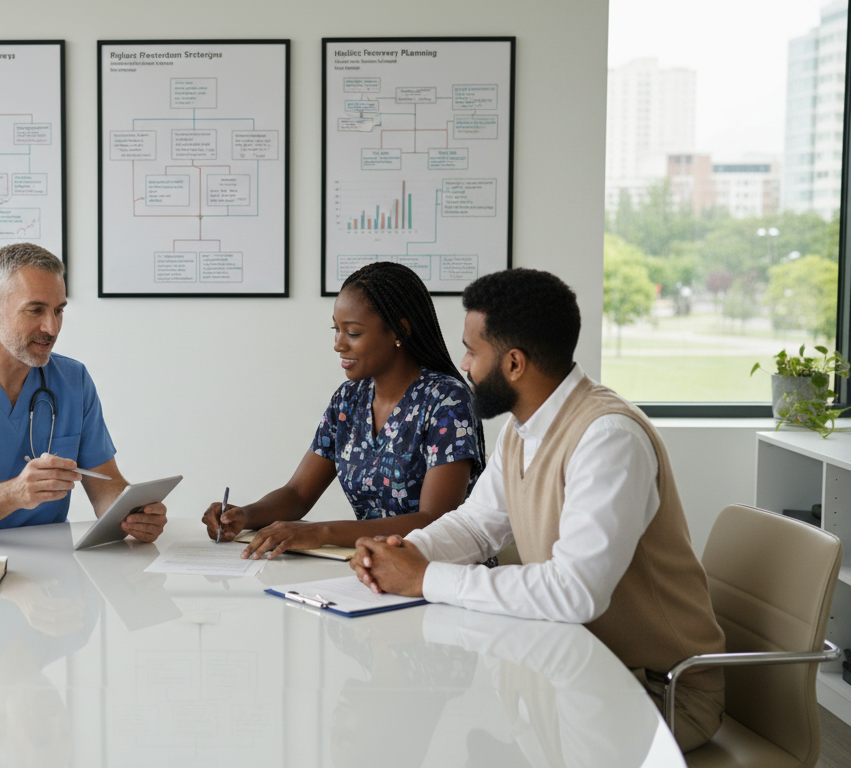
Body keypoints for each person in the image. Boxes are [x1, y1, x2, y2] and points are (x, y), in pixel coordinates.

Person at [348, 267, 726, 752]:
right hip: (576, 672)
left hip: (657, 690)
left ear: (514, 364)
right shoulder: (523, 429)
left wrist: (424, 578)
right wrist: (403, 551)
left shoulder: (608, 439)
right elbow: (477, 524)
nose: (463, 363)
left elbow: (575, 592)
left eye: (472, 350)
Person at [202, 261, 485, 559]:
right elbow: (298, 494)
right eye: (336, 329)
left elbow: (434, 520)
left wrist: (321, 533)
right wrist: (244, 516)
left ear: (399, 330)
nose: (338, 344)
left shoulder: (446, 400)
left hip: (443, 574)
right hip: (374, 567)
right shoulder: (349, 399)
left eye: (352, 332)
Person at [0, 243, 168, 540]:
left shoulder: (73, 380)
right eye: (35, 310)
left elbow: (105, 488)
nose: (52, 327)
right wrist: (15, 494)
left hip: (53, 569)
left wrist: (134, 517)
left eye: (59, 311)